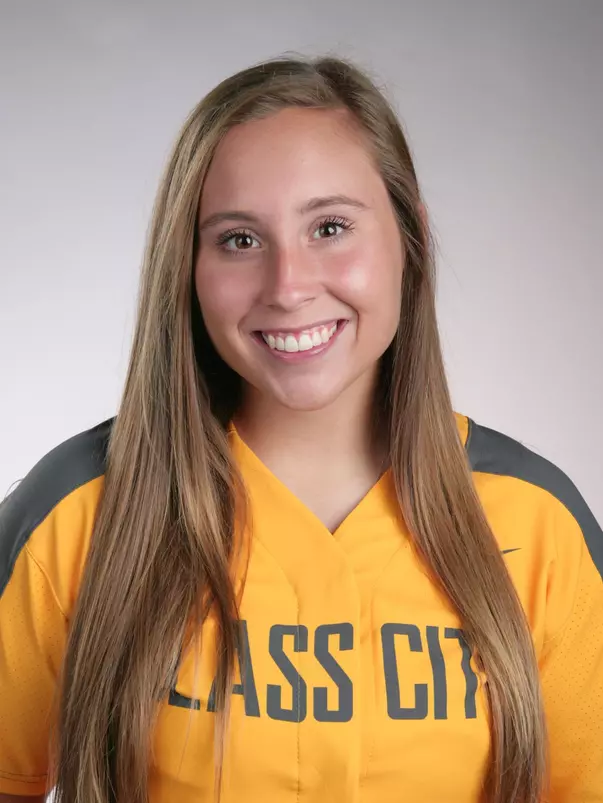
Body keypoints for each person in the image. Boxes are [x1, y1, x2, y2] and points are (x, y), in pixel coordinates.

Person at [0, 54, 601, 803]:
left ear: (409, 236)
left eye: (330, 227)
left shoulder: (537, 522)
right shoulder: (78, 512)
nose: (287, 286)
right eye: (239, 239)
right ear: (186, 264)